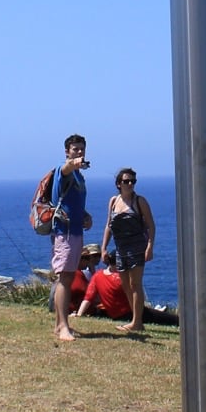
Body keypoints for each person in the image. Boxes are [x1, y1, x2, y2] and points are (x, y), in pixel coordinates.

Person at [101, 168, 156, 336]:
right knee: (125, 284)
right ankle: (135, 319)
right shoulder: (113, 201)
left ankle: (137, 322)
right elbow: (109, 226)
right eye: (126, 181)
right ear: (119, 184)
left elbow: (151, 225)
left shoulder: (140, 202)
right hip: (120, 248)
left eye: (133, 181)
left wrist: (150, 246)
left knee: (135, 284)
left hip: (136, 247)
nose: (130, 184)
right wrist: (103, 248)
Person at [50, 134, 93, 345]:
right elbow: (66, 168)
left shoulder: (79, 177)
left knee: (67, 277)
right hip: (64, 233)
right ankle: (63, 327)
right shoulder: (64, 170)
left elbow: (74, 202)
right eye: (75, 149)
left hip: (75, 231)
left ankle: (60, 324)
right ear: (67, 151)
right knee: (65, 278)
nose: (79, 152)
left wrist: (85, 215)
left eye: (82, 149)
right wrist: (73, 163)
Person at [77, 248, 132, 323]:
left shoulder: (97, 276)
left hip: (113, 314)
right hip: (129, 313)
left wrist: (79, 314)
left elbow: (88, 298)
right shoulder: (122, 278)